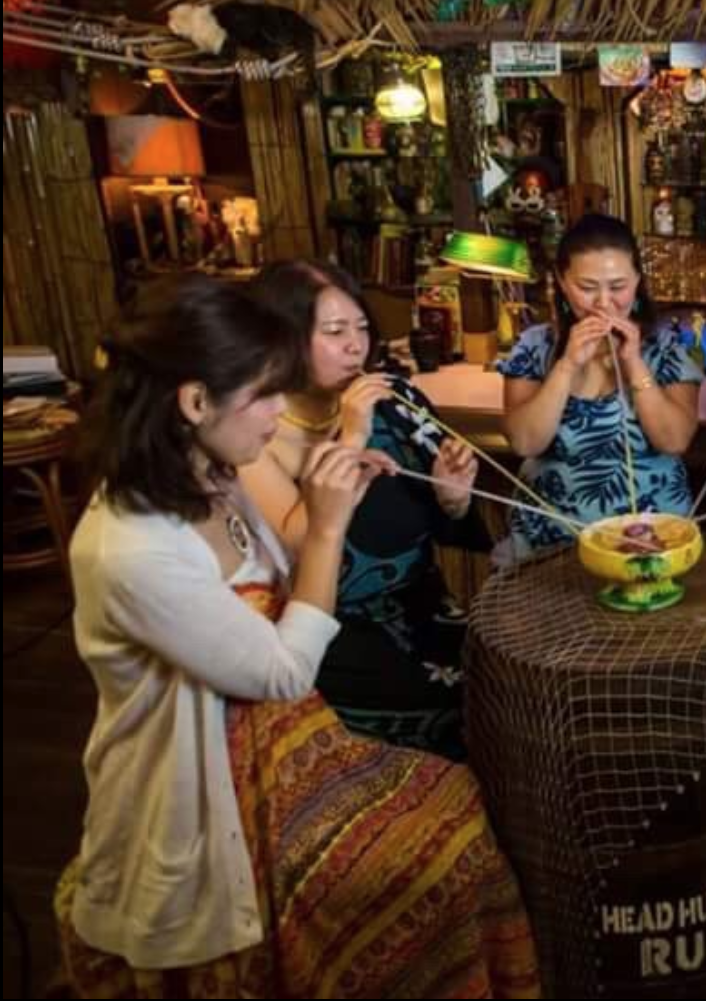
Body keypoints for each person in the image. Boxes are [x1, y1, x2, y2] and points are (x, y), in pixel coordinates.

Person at [55, 275, 539, 997]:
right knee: (434, 852)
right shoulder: (132, 547)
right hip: (208, 781)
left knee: (462, 792)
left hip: (282, 738)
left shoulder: (210, 470)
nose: (277, 412)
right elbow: (283, 671)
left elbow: (283, 577)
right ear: (194, 402)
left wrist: (415, 492)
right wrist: (329, 521)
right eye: (263, 394)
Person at [242, 259, 484, 759]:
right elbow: (299, 544)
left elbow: (452, 523)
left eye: (362, 328)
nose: (356, 345)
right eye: (335, 332)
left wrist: (452, 496)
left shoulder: (395, 400)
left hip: (428, 611)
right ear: (280, 339)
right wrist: (352, 435)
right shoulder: (254, 433)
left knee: (508, 693)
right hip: (333, 634)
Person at [499, 214, 701, 559]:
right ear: (562, 282)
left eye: (618, 287)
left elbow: (675, 440)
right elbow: (524, 442)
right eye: (588, 287)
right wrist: (567, 365)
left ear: (637, 281)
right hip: (550, 545)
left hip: (652, 544)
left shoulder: (668, 347)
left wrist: (633, 361)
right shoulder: (534, 346)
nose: (604, 302)